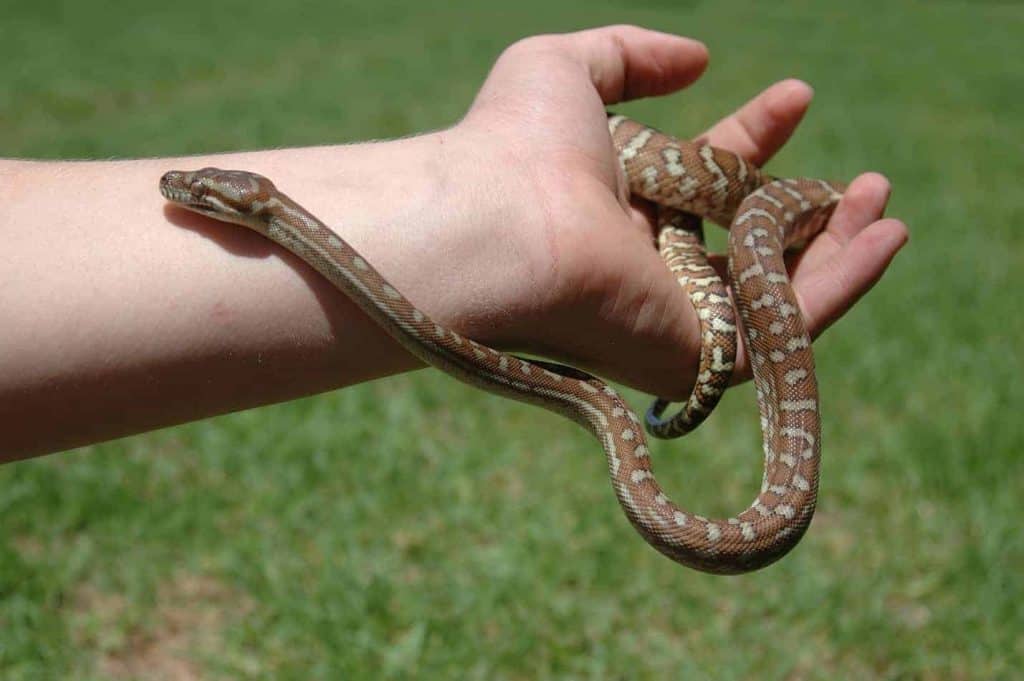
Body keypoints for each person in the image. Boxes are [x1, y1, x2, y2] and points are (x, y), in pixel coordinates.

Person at [0, 26, 907, 461]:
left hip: (719, 212)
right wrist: (521, 223)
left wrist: (727, 216)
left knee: (764, 211)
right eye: (203, 190)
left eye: (202, 190)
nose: (188, 193)